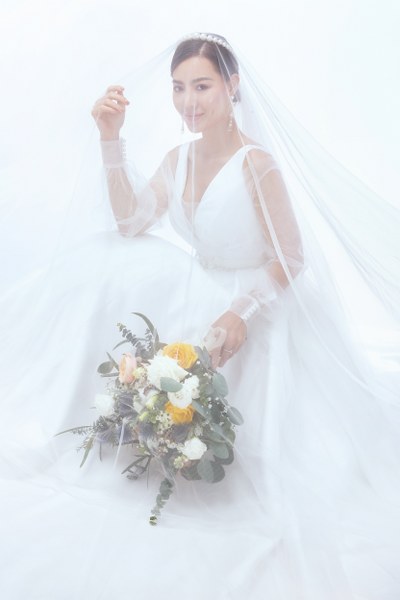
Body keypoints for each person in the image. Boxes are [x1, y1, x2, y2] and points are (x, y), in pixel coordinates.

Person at [1, 33, 400, 600]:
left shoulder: (256, 164)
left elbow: (291, 258)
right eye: (179, 88)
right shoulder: (179, 158)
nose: (188, 101)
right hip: (200, 290)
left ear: (232, 87)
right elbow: (131, 222)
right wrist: (111, 141)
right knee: (105, 257)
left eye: (202, 86)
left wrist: (241, 311)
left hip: (256, 299)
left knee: (275, 440)